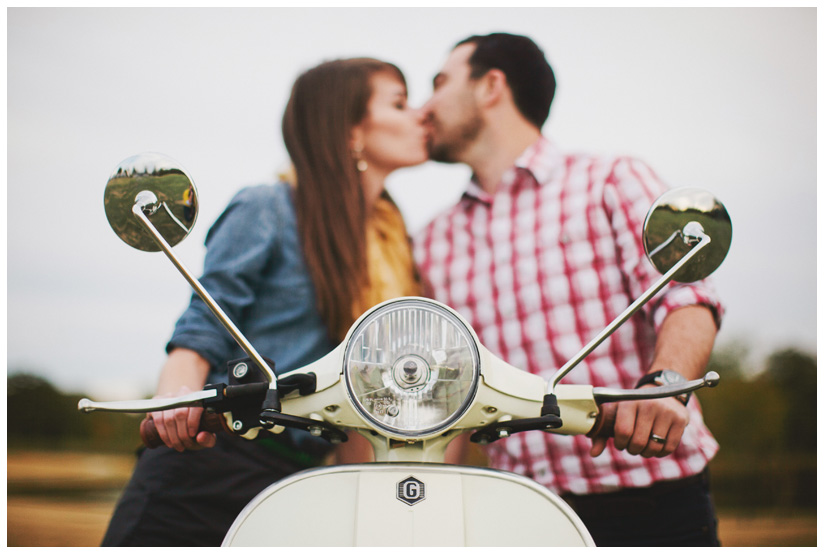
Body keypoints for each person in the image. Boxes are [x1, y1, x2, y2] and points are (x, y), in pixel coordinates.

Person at [413, 33, 724, 547]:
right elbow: (452, 398)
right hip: (517, 518)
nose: (425, 108)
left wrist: (665, 383)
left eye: (440, 83)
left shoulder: (611, 180)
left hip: (654, 502)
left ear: (491, 86)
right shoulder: (432, 241)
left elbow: (686, 297)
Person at [102, 57, 427, 546]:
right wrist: (175, 401)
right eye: (400, 103)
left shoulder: (390, 239)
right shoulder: (268, 206)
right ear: (350, 130)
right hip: (212, 464)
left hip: (302, 484)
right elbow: (209, 315)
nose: (418, 115)